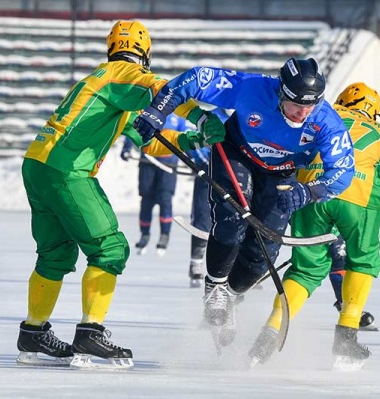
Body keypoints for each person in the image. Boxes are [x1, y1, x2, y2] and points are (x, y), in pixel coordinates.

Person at [16, 20, 224, 369]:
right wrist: (200, 119)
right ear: (144, 52)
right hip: (67, 169)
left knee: (55, 255)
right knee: (110, 249)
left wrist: (191, 141)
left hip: (38, 164)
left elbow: (148, 141)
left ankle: (33, 333)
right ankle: (90, 332)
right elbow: (163, 88)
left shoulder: (106, 82)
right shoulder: (123, 74)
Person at [133, 58, 356, 347]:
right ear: (281, 92)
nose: (303, 113)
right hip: (237, 154)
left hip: (282, 172)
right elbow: (196, 79)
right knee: (231, 218)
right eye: (296, 104)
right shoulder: (252, 88)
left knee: (263, 251)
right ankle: (215, 287)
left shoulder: (326, 121)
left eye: (310, 106)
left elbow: (342, 172)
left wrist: (308, 191)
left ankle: (232, 297)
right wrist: (156, 112)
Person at [248, 82, 380, 371]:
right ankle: (347, 335)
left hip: (309, 193)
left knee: (305, 270)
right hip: (359, 197)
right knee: (363, 261)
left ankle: (271, 330)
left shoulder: (321, 114)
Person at [120, 113, 186, 256]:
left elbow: (184, 137)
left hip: (169, 165)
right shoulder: (148, 110)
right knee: (146, 199)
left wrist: (194, 157)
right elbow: (133, 128)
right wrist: (126, 148)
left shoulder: (178, 114)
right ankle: (144, 234)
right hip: (148, 163)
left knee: (165, 199)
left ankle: (165, 234)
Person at [185, 108, 230, 288]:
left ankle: (238, 266)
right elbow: (197, 144)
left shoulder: (244, 113)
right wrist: (207, 164)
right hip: (208, 177)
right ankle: (195, 262)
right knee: (202, 218)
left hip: (234, 179)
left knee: (233, 222)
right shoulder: (211, 116)